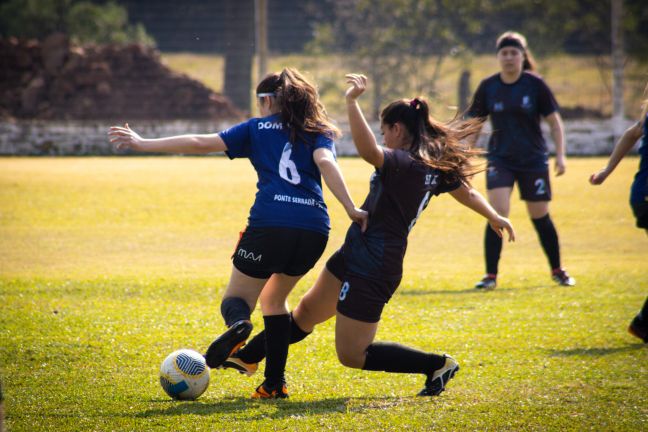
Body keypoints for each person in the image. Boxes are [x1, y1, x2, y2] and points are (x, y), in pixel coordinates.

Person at [221, 73, 515, 398]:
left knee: (351, 355)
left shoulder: (404, 162)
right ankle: (247, 357)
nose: (383, 136)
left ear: (397, 129)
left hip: (375, 265)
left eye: (384, 130)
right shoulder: (430, 166)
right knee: (304, 314)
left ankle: (437, 364)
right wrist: (494, 214)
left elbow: (367, 151)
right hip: (353, 251)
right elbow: (467, 193)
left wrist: (351, 102)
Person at [108, 67, 368, 398]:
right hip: (314, 229)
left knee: (236, 299)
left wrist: (144, 144)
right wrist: (350, 206)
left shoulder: (256, 128)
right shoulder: (318, 130)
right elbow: (326, 164)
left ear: (269, 100)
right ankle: (274, 384)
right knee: (275, 300)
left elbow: (201, 141)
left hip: (269, 223)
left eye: (261, 101)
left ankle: (239, 326)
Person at [467, 31, 575, 290]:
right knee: (497, 212)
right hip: (500, 159)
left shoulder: (535, 85)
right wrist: (465, 159)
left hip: (533, 160)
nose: (508, 57)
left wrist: (560, 155)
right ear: (498, 57)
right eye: (504, 53)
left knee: (539, 215)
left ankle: (557, 269)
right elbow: (474, 125)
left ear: (522, 56)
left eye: (514, 53)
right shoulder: (488, 86)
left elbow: (554, 122)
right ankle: (490, 276)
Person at [589, 86, 648, 343]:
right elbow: (633, 133)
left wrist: (606, 170)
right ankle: (643, 322)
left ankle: (644, 323)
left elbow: (632, 133)